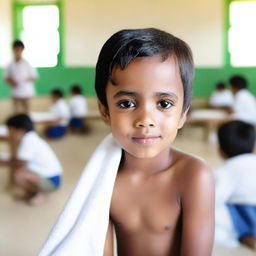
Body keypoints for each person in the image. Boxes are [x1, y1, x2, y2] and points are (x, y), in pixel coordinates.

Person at [39, 28, 215, 256]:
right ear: (105, 111)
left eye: (164, 104)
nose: (145, 120)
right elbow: (96, 246)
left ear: (183, 114)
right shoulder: (104, 179)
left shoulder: (193, 176)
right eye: (126, 104)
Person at [215, 120, 256, 250]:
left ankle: (248, 237)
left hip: (249, 215)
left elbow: (214, 198)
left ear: (220, 150)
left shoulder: (225, 171)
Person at [5, 114, 63, 205]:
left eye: (11, 131)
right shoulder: (31, 138)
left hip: (52, 180)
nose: (9, 135)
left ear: (20, 131)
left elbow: (20, 163)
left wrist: (4, 162)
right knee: (20, 172)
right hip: (52, 177)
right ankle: (31, 193)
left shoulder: (28, 141)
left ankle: (41, 193)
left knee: (19, 175)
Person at [4, 40, 38, 113]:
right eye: (16, 49)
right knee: (17, 113)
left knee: (27, 113)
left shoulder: (27, 63)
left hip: (27, 93)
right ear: (13, 49)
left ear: (22, 49)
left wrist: (24, 80)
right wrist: (12, 82)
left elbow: (34, 77)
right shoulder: (10, 64)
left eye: (19, 49)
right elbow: (6, 78)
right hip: (16, 93)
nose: (17, 51)